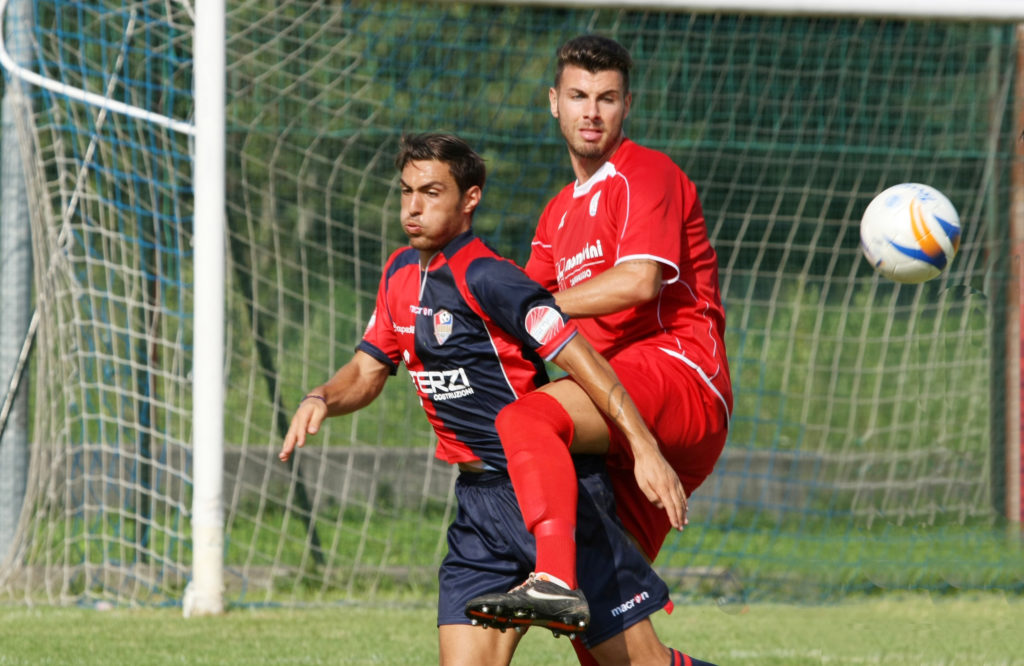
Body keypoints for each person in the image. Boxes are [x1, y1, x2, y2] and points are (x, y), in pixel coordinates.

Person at [279, 132, 709, 666]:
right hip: (478, 503)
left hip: (548, 491)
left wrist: (642, 446)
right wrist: (321, 397)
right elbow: (367, 370)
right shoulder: (397, 276)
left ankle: (555, 573)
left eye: (431, 192)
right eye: (406, 191)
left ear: (470, 200)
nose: (413, 207)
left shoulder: (490, 277)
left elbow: (582, 360)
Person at [466, 34, 732, 656]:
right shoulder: (557, 213)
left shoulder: (646, 172)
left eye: (607, 98)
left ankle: (553, 580)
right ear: (552, 103)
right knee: (612, 641)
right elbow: (521, 321)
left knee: (528, 419)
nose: (592, 111)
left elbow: (638, 283)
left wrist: (542, 306)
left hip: (679, 376)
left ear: (626, 106)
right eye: (579, 96)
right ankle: (567, 580)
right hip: (612, 408)